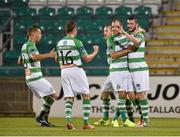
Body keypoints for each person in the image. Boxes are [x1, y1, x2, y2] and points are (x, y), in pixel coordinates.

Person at [55, 20, 99, 130]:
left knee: (69, 97)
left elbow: (56, 59)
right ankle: (86, 123)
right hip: (75, 69)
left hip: (64, 71)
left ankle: (69, 120)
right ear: (74, 30)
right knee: (86, 94)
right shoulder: (77, 42)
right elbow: (87, 59)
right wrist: (95, 51)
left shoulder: (59, 43)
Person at [18, 26, 60, 127]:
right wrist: (50, 55)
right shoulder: (31, 45)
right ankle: (41, 117)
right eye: (39, 33)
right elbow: (35, 57)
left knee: (49, 98)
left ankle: (44, 121)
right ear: (33, 34)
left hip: (30, 77)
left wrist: (28, 62)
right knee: (54, 96)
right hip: (35, 77)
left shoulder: (24, 46)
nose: (41, 35)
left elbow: (19, 61)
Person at [120, 15, 149, 127]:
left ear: (136, 24)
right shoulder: (130, 35)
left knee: (141, 95)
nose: (129, 26)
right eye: (128, 24)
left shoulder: (139, 34)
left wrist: (123, 32)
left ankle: (145, 120)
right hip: (132, 69)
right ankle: (143, 118)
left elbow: (137, 42)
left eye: (131, 24)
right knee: (134, 96)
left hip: (139, 69)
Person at [107, 19, 136, 127]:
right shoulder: (110, 39)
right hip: (116, 70)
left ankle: (115, 119)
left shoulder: (126, 37)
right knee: (122, 94)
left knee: (130, 96)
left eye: (117, 26)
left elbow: (136, 43)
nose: (114, 28)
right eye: (113, 26)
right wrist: (127, 51)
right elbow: (113, 55)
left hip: (126, 70)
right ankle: (124, 120)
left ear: (121, 27)